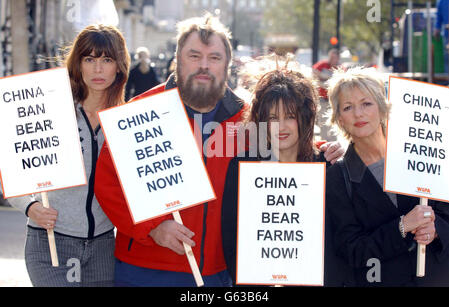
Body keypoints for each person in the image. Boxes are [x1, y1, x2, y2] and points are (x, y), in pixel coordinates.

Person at [94, 14, 343, 287]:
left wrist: (324, 150)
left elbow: (284, 147)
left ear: (227, 65)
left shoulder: (249, 116)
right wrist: (151, 228)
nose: (204, 65)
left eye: (214, 58)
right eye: (194, 55)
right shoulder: (139, 112)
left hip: (218, 272)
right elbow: (108, 184)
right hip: (144, 269)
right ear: (177, 60)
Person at [8, 24, 130, 287]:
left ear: (118, 66)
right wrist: (30, 207)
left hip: (104, 245)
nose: (98, 69)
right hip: (51, 241)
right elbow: (12, 167)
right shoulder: (52, 111)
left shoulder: (127, 121)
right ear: (78, 64)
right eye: (90, 59)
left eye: (106, 59)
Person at [221, 64, 351, 286]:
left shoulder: (328, 166)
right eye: (272, 118)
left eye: (290, 116)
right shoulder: (242, 168)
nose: (281, 126)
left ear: (305, 117)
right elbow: (233, 240)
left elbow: (342, 241)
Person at [325, 67, 449, 286]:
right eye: (348, 107)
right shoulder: (338, 175)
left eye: (367, 103)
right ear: (339, 119)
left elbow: (446, 213)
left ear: (383, 108)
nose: (358, 113)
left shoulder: (421, 152)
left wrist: (436, 229)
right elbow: (351, 249)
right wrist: (402, 226)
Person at [313, 49, 340, 141]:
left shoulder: (339, 68)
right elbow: (314, 72)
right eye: (331, 57)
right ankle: (324, 141)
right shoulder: (323, 65)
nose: (333, 59)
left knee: (333, 121)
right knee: (323, 122)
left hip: (333, 99)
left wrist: (324, 78)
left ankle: (333, 141)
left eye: (335, 58)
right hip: (322, 99)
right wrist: (322, 79)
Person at [434, 0, 449, 73]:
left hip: (447, 35)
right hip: (447, 35)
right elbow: (439, 16)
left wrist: (437, 29)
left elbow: (438, 17)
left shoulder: (441, 1)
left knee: (447, 60)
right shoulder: (442, 1)